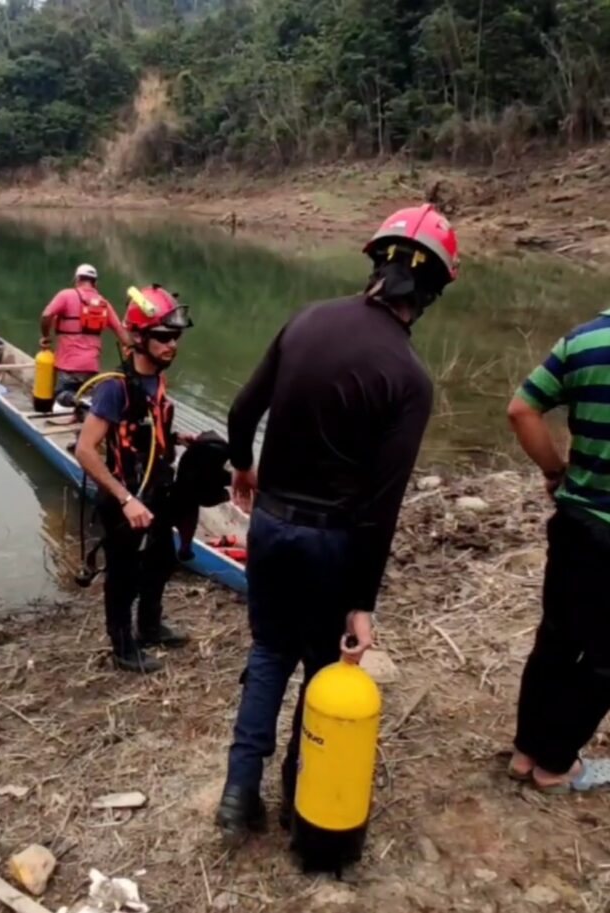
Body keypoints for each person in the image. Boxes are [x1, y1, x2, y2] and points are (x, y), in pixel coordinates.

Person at [215, 204, 460, 839]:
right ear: (430, 292)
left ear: (376, 265)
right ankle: (305, 794)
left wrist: (243, 467)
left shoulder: (309, 320)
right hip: (334, 542)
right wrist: (362, 604)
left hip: (270, 524)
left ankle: (240, 795)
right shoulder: (409, 377)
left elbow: (242, 412)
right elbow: (383, 505)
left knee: (269, 649)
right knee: (323, 665)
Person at [507, 309, 610, 793]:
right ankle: (556, 764)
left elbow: (521, 409)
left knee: (556, 637)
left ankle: (526, 751)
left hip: (576, 524)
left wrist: (554, 470)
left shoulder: (584, 340)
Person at [75, 284, 193, 674]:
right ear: (139, 337)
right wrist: (127, 500)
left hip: (157, 490)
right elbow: (86, 450)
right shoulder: (114, 388)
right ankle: (123, 647)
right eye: (162, 337)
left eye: (174, 337)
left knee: (161, 561)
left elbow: (145, 433)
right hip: (125, 497)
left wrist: (176, 438)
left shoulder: (157, 380)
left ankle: (150, 626)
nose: (171, 345)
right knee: (123, 575)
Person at [41, 264, 130, 397]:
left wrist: (46, 336)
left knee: (61, 399)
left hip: (67, 368)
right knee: (86, 403)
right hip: (91, 370)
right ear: (95, 283)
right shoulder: (103, 303)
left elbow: (46, 315)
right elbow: (121, 332)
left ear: (77, 280)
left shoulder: (66, 295)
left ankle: (66, 401)